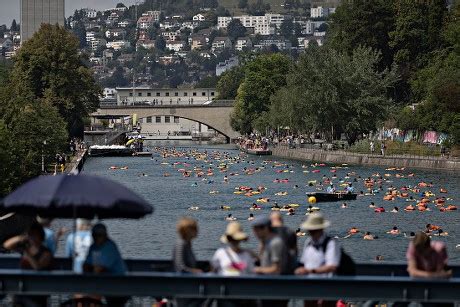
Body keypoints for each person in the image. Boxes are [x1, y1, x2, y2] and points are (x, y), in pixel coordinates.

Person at [295, 213, 341, 307]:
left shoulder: (331, 243)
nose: (310, 232)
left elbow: (332, 267)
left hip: (327, 288)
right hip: (310, 288)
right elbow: (303, 263)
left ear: (321, 228)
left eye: (313, 229)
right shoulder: (308, 242)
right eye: (310, 230)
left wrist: (311, 271)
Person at [4, 223, 53, 306]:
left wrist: (27, 253)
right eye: (31, 235)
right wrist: (21, 238)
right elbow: (7, 245)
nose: (32, 238)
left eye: (35, 235)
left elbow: (37, 267)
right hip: (22, 288)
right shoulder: (26, 248)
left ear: (40, 236)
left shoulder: (46, 252)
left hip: (38, 290)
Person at [83, 223, 128, 307]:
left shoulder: (109, 246)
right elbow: (86, 265)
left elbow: (98, 268)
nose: (97, 238)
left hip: (119, 285)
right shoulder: (94, 247)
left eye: (99, 235)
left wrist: (91, 271)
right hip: (105, 284)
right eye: (95, 235)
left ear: (105, 235)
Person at [252, 215, 289, 307]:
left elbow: (277, 269)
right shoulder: (266, 242)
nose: (254, 233)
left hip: (276, 289)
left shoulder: (275, 243)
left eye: (256, 230)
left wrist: (256, 270)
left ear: (265, 228)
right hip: (267, 287)